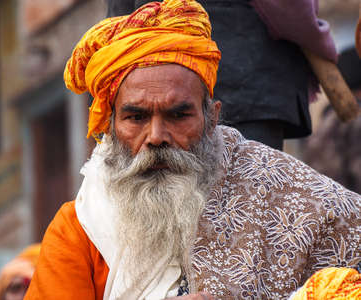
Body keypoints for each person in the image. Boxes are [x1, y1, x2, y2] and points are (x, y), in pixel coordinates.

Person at [24, 1, 360, 299]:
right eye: (136, 117)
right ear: (108, 127)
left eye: (178, 115)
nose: (156, 136)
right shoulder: (79, 229)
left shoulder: (279, 193)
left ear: (212, 118)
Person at [106, 0, 338, 151]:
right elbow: (291, 10)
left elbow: (118, 17)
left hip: (246, 89)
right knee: (248, 198)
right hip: (251, 85)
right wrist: (320, 40)